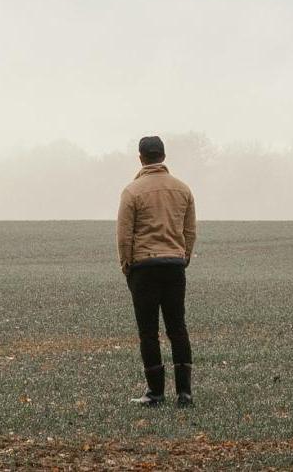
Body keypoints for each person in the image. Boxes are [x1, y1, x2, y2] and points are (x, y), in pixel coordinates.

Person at [116, 134, 196, 407]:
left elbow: (124, 236)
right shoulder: (183, 189)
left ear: (141, 158)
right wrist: (183, 256)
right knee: (178, 328)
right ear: (163, 156)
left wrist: (127, 264)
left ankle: (156, 393)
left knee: (148, 332)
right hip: (174, 266)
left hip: (144, 268)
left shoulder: (132, 192)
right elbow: (189, 230)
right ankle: (184, 393)